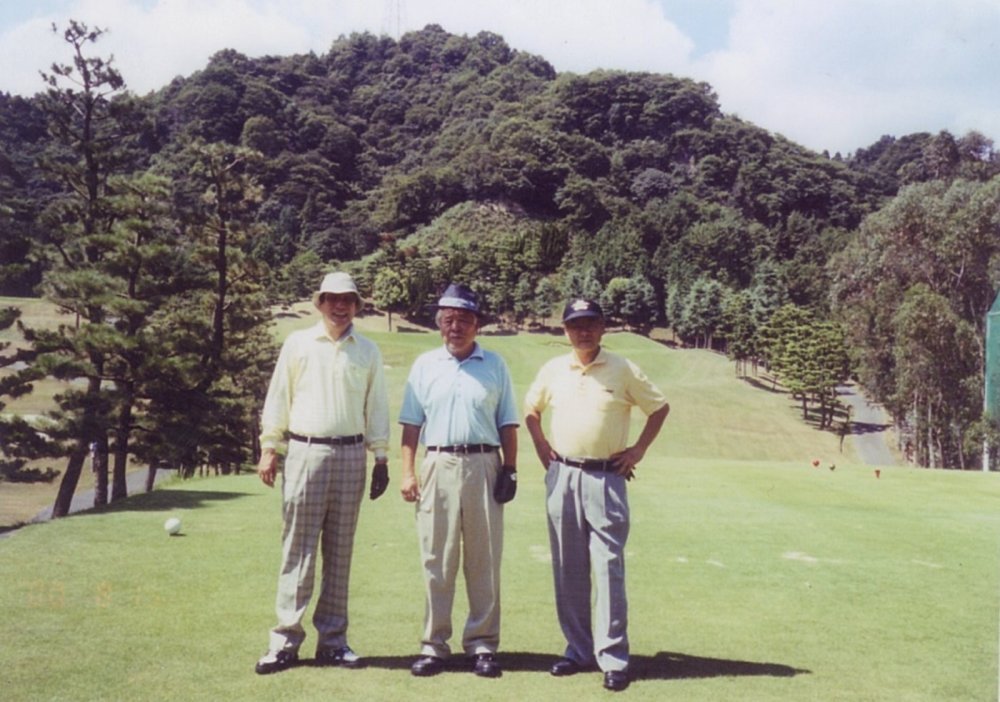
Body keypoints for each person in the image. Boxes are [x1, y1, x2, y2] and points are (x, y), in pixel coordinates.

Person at [524, 298, 669, 692]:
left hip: (606, 478)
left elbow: (659, 408)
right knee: (568, 567)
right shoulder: (554, 368)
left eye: (590, 323)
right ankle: (577, 650)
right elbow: (531, 410)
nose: (583, 331)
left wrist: (637, 450)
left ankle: (613, 657)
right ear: (565, 330)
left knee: (608, 568)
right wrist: (541, 447)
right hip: (563, 475)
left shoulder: (623, 368)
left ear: (603, 327)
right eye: (575, 325)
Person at [254, 271, 391, 675]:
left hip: (352, 455)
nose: (340, 305)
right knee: (298, 549)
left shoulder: (367, 350)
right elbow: (279, 396)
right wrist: (269, 447)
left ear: (356, 305)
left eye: (347, 299)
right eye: (332, 298)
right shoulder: (298, 344)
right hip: (305, 452)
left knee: (340, 552)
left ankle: (333, 641)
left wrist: (381, 456)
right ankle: (284, 641)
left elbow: (377, 405)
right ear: (320, 303)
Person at [399, 283, 519, 679]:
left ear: (476, 324)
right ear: (438, 323)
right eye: (448, 319)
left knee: (483, 559)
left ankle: (482, 644)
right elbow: (411, 425)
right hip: (437, 464)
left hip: (484, 463)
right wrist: (408, 471)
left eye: (464, 319)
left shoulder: (495, 365)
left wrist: (510, 469)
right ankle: (434, 645)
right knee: (437, 558)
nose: (456, 326)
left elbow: (508, 422)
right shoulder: (424, 365)